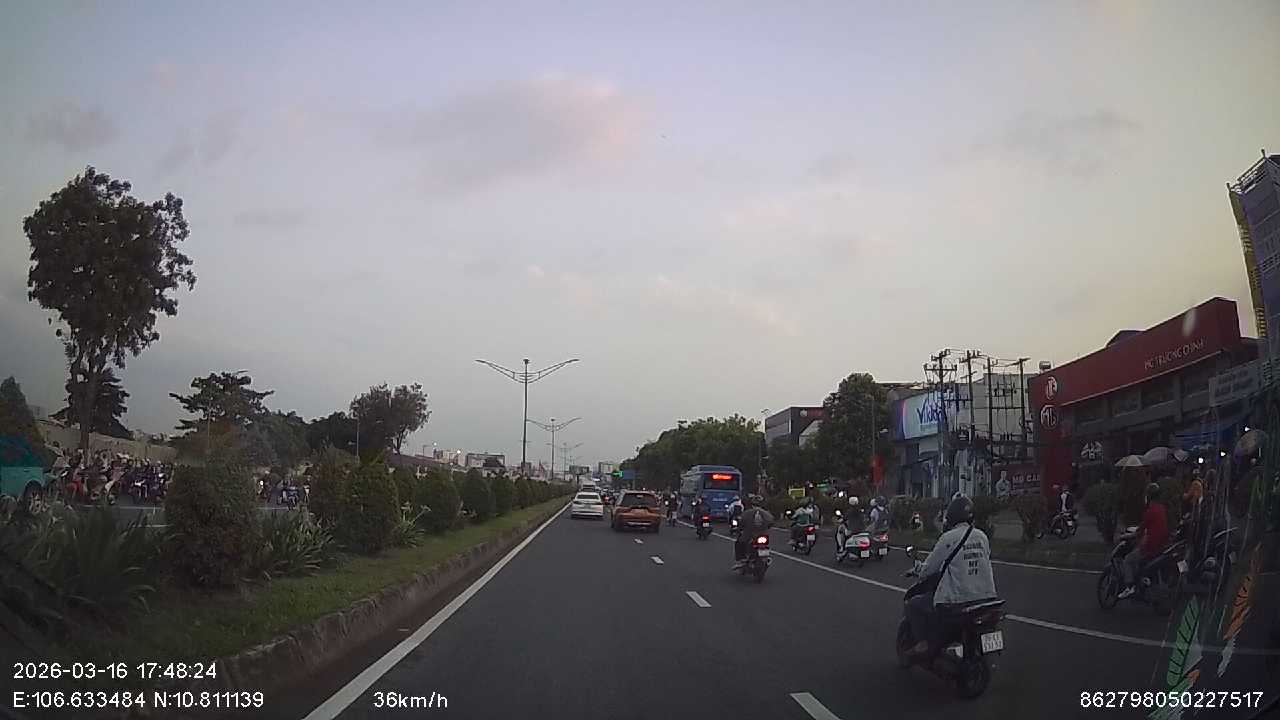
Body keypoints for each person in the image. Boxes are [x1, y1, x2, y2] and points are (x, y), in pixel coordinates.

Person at [905, 494, 997, 656]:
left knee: (914, 605)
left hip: (958, 599)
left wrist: (917, 569)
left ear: (951, 517)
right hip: (987, 597)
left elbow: (928, 569)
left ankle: (925, 643)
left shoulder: (948, 538)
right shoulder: (982, 536)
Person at [1118, 482, 1169, 599]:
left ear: (1148, 496)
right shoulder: (1161, 509)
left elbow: (1140, 531)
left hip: (1149, 546)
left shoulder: (1150, 511)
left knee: (1128, 560)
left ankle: (1129, 587)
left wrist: (1126, 536)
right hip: (1161, 546)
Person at [732, 494, 774, 570]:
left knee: (739, 543)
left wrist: (739, 528)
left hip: (749, 535)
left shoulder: (747, 513)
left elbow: (741, 522)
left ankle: (741, 560)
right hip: (763, 535)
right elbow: (771, 522)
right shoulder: (766, 514)